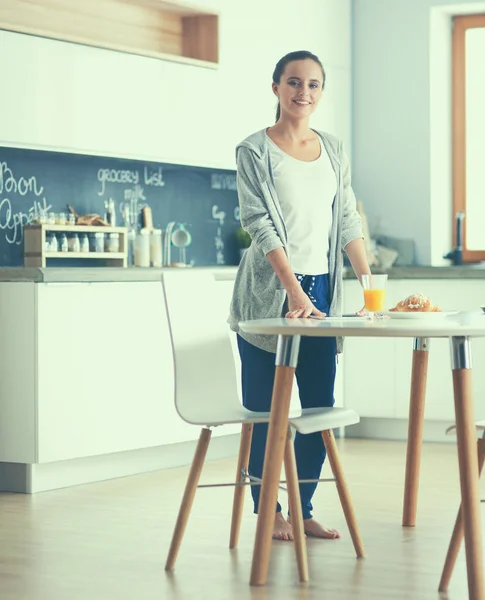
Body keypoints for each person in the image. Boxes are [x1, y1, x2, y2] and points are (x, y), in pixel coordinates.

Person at [228, 50, 371, 541]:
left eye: (312, 84)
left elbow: (347, 218)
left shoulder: (332, 148)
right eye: (293, 82)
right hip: (268, 293)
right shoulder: (254, 151)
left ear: (321, 92)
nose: (302, 92)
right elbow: (259, 225)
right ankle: (268, 510)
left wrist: (369, 285)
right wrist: (292, 290)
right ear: (275, 88)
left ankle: (303, 506)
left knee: (317, 408)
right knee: (266, 409)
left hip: (323, 289)